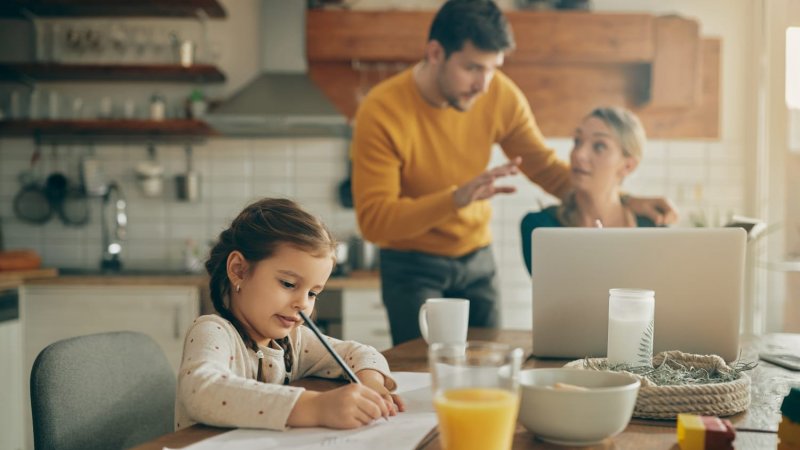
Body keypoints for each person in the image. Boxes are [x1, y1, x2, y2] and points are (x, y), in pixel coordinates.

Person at [350, 0, 677, 345]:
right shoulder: (382, 110)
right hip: (411, 265)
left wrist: (624, 198)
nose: (484, 84)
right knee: (420, 373)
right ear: (435, 53)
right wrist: (456, 198)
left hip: (477, 259)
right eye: (473, 68)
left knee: (487, 364)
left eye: (493, 68)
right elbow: (375, 221)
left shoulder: (500, 95)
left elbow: (548, 170)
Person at [175, 198, 404, 432]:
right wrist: (316, 407)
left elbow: (359, 353)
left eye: (313, 293)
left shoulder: (295, 342)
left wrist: (371, 385)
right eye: (288, 283)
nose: (303, 304)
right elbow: (200, 392)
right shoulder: (213, 331)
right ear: (238, 270)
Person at [520, 107, 658, 274]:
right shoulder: (541, 228)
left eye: (599, 146)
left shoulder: (655, 230)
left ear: (628, 166)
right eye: (577, 141)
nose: (579, 154)